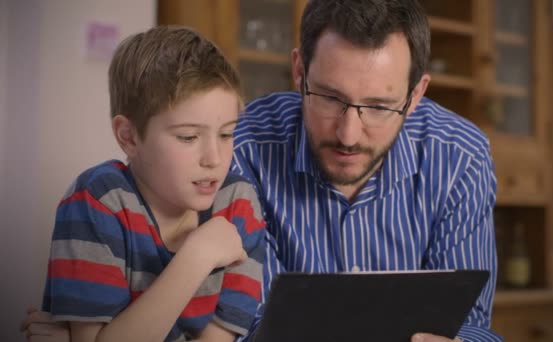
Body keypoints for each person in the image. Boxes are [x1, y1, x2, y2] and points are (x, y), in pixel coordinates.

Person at [23, 1, 500, 341]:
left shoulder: (461, 158)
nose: (350, 133)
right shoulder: (239, 145)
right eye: (329, 98)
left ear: (416, 95)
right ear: (298, 72)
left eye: (379, 106)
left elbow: (475, 323)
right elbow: (241, 323)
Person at [20, 26, 265, 342]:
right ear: (129, 136)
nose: (214, 158)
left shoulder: (238, 204)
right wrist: (197, 256)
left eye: (227, 134)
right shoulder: (97, 201)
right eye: (188, 137)